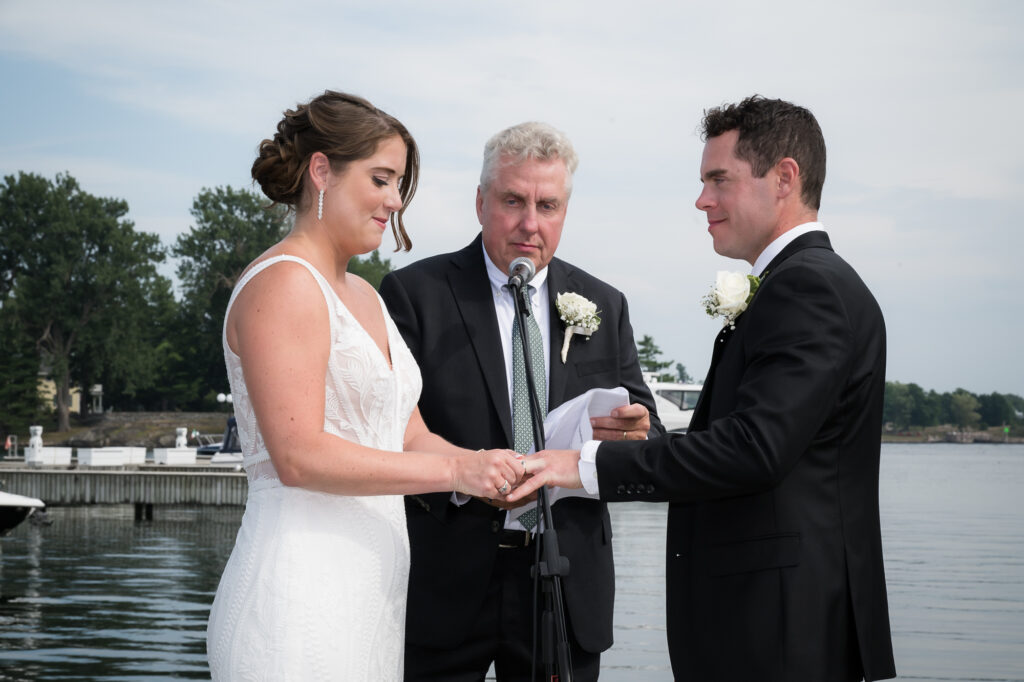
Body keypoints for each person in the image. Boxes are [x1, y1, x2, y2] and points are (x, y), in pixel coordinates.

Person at [510, 96, 897, 681]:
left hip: (781, 630)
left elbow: (753, 450)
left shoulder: (807, 291)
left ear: (785, 177)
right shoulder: (803, 284)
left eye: (719, 179)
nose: (702, 200)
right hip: (779, 621)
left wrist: (584, 465)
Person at [205, 90, 534, 680]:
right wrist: (457, 474)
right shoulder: (283, 283)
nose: (394, 201)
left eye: (399, 183)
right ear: (322, 169)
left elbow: (409, 436)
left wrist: (490, 465)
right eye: (381, 179)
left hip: (371, 600)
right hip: (298, 595)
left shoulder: (366, 296)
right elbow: (298, 455)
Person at [379, 121, 663, 681]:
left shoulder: (606, 304)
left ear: (565, 211)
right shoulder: (415, 295)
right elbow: (386, 432)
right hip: (444, 580)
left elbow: (645, 436)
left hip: (563, 583)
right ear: (481, 202)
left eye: (548, 205)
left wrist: (634, 432)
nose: (530, 223)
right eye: (513, 200)